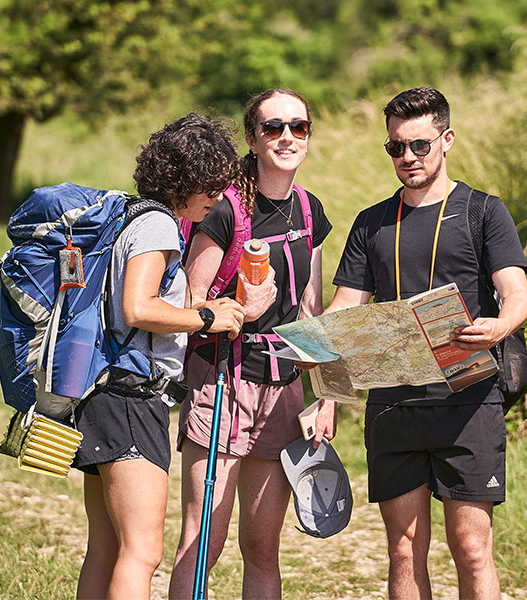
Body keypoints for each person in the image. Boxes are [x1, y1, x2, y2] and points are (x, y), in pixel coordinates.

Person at [315, 87, 527, 600]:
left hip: (469, 402)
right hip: (393, 405)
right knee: (404, 550)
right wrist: (323, 381)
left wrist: (500, 328)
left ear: (447, 139)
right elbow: (346, 309)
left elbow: (516, 295)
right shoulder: (371, 222)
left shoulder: (484, 211)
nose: (407, 157)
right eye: (395, 148)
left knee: (471, 549)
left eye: (420, 145)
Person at [72, 114, 247, 600]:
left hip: (101, 393)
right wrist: (207, 317)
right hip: (130, 399)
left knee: (106, 548)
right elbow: (139, 307)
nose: (217, 194)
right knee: (143, 551)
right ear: (185, 179)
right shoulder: (157, 226)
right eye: (211, 182)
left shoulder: (131, 215)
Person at [168, 89, 334, 599]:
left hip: (282, 389)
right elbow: (190, 309)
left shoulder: (309, 211)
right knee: (203, 543)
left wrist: (325, 395)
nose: (287, 137)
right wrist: (245, 308)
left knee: (263, 548)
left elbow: (312, 315)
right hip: (221, 380)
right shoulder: (224, 210)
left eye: (298, 127)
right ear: (252, 138)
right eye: (273, 128)